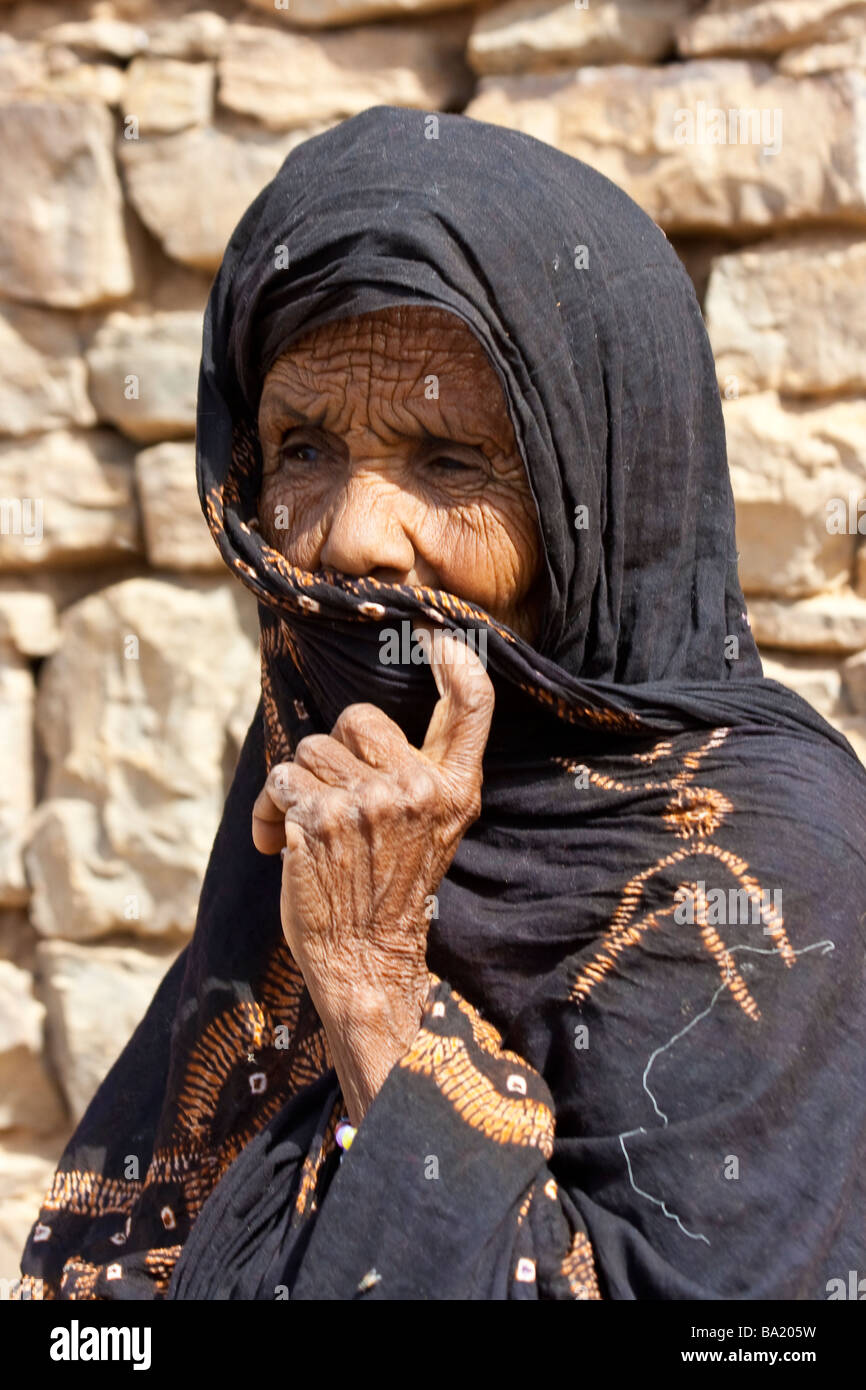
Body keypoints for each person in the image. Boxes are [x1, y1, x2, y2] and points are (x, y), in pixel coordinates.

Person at [18, 105, 866, 1302]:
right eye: (302, 448)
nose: (354, 540)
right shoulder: (327, 764)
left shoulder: (779, 864)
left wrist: (376, 998)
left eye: (447, 462)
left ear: (605, 493)